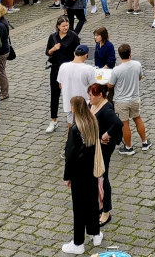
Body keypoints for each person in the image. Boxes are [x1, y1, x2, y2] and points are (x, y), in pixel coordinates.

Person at [62, 96, 105, 254]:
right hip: (92, 170)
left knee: (79, 208)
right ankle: (95, 233)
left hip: (79, 175)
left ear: (75, 108)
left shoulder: (75, 129)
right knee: (92, 203)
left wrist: (67, 177)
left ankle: (78, 243)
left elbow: (70, 156)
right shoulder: (93, 121)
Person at [87, 82, 122, 228]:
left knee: (103, 175)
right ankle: (100, 204)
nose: (89, 98)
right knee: (97, 176)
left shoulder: (106, 109)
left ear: (100, 95)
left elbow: (118, 123)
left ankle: (106, 211)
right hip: (95, 145)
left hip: (104, 148)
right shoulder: (93, 104)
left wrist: (107, 134)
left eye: (91, 95)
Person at [109, 43, 148, 156]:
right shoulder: (137, 65)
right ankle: (144, 142)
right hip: (135, 98)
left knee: (124, 124)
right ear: (130, 54)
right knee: (138, 119)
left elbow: (110, 85)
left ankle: (129, 147)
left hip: (121, 101)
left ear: (120, 56)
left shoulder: (117, 70)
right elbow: (140, 77)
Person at [45, 17, 81, 134]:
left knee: (71, 94)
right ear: (58, 27)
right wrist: (53, 49)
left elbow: (78, 53)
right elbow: (47, 52)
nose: (66, 28)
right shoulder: (53, 37)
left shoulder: (73, 36)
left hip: (69, 70)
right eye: (63, 26)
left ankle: (73, 119)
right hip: (56, 69)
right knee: (54, 95)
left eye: (67, 25)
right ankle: (53, 120)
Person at [57, 45, 97, 125]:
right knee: (84, 127)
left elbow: (60, 85)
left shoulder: (63, 66)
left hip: (69, 103)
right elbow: (94, 87)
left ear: (74, 53)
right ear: (86, 55)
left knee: (71, 126)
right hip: (84, 104)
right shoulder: (89, 69)